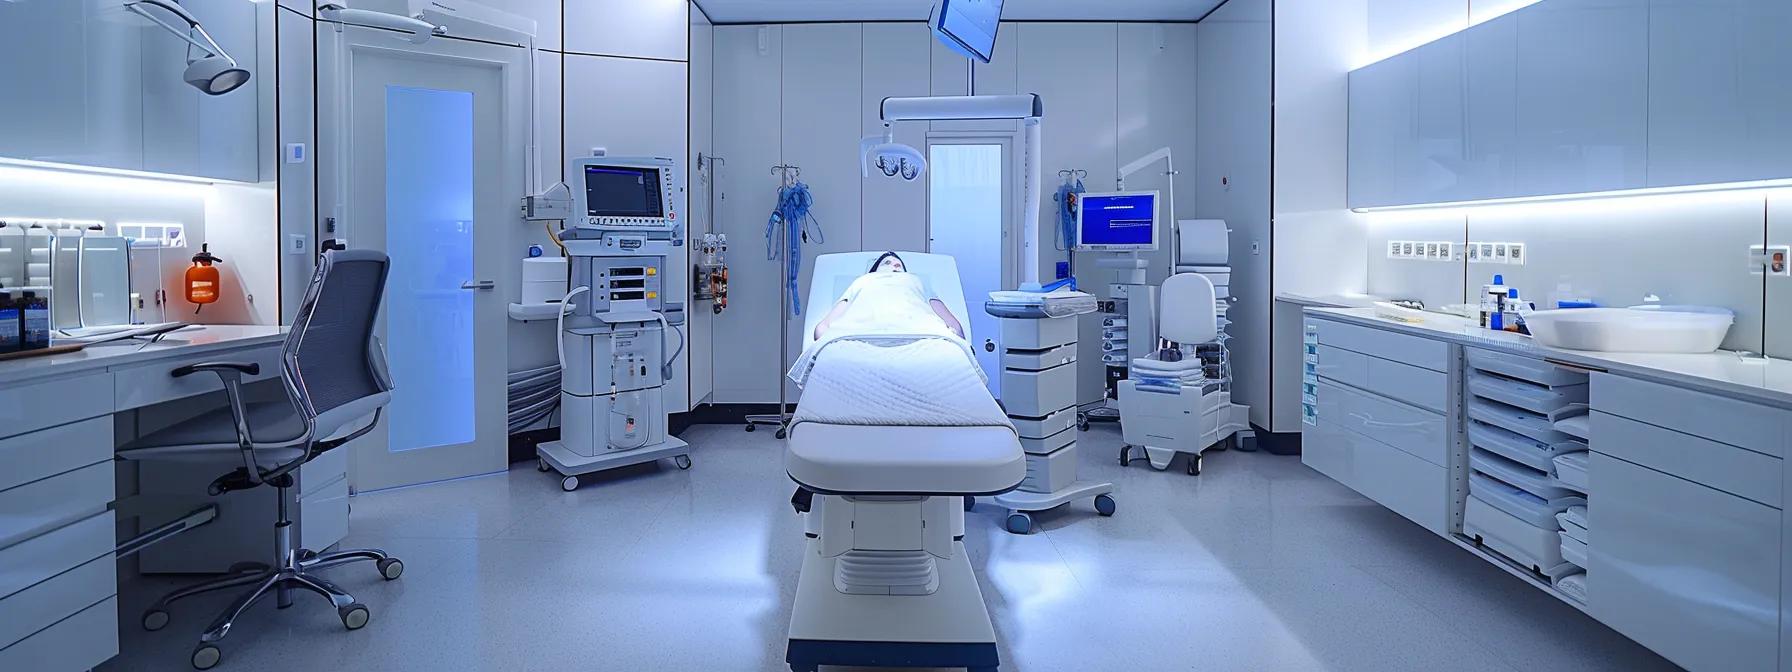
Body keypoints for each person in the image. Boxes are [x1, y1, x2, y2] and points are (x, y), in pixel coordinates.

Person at [811, 251, 965, 340]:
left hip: (921, 336)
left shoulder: (916, 281)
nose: (895, 265)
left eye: (899, 264)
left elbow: (954, 325)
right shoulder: (862, 282)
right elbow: (824, 326)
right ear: (874, 272)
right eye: (887, 263)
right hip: (860, 337)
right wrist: (826, 346)